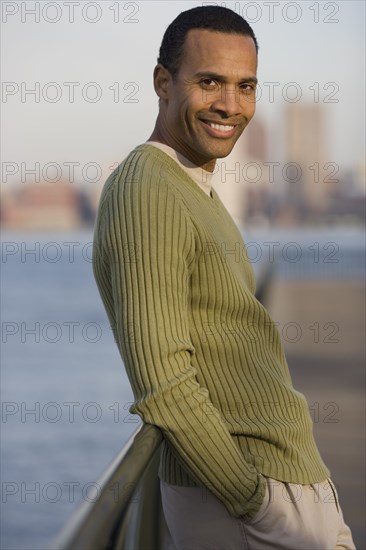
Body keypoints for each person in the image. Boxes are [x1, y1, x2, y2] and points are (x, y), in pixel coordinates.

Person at [92, 6, 355, 549]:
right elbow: (165, 384)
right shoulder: (149, 187)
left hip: (283, 482)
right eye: (209, 81)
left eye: (245, 86)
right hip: (247, 505)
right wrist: (251, 498)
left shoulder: (194, 187)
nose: (230, 106)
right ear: (163, 82)